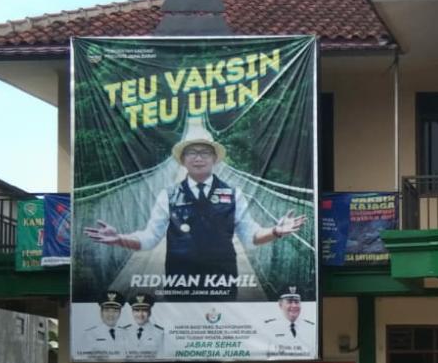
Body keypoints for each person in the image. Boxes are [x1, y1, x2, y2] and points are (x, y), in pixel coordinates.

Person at [82, 126, 305, 299]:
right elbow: (149, 239)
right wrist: (120, 239)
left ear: (214, 159)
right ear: (183, 160)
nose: (198, 157)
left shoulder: (233, 194)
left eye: (205, 152)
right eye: (192, 153)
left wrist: (276, 231)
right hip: (180, 283)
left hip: (222, 282)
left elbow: (251, 236)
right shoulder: (167, 195)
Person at [264, 287, 317, 355]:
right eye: (289, 302)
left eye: (297, 302)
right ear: (280, 305)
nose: (294, 305)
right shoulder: (269, 327)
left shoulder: (311, 327)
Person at [79, 291, 127, 356]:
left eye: (115, 311)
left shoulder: (127, 333)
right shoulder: (90, 334)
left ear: (120, 313)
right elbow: (82, 356)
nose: (111, 314)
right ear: (101, 312)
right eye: (107, 310)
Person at [121, 293, 164, 357]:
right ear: (132, 312)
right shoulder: (124, 331)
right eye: (137, 310)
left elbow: (162, 356)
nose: (140, 314)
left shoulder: (159, 332)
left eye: (144, 310)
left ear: (150, 312)